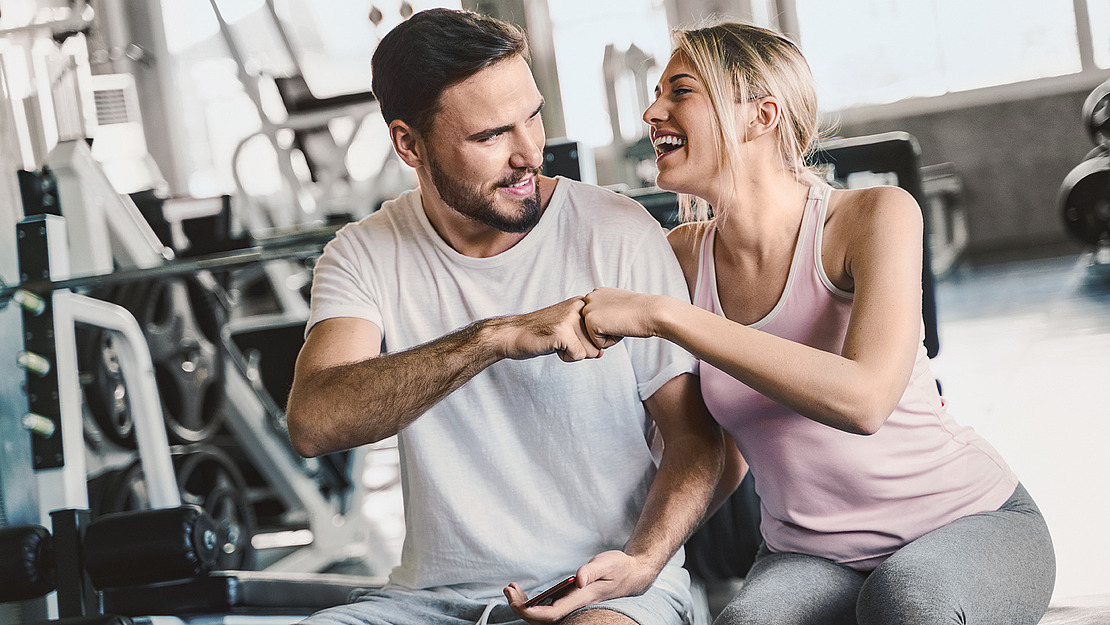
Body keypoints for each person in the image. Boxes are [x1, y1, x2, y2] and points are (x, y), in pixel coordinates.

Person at [580, 22, 1056, 625]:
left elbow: (864, 400)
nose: (653, 111)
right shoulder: (678, 258)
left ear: (761, 115)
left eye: (680, 91)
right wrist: (642, 556)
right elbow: (717, 451)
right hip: (809, 555)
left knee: (908, 605)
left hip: (965, 521)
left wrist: (665, 316)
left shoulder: (873, 216)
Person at [284, 8, 729, 625]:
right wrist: (494, 339)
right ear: (408, 143)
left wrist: (643, 562)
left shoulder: (618, 232)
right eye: (490, 136)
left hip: (605, 590)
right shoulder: (362, 253)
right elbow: (314, 421)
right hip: (429, 602)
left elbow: (695, 439)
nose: (528, 154)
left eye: (533, 117)